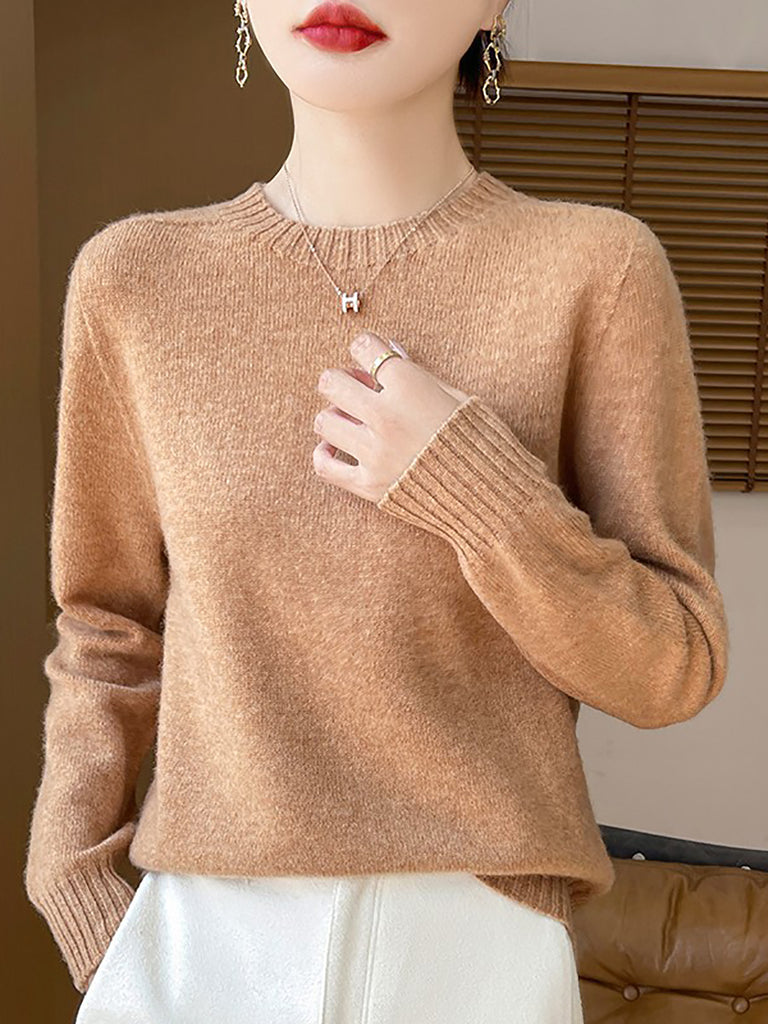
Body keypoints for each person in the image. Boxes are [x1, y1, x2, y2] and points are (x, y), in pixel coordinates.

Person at [24, 1, 729, 1021]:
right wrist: (80, 890)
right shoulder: (135, 281)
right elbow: (106, 627)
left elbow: (674, 663)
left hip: (475, 949)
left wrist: (473, 490)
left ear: (494, 5)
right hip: (198, 942)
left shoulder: (595, 269)